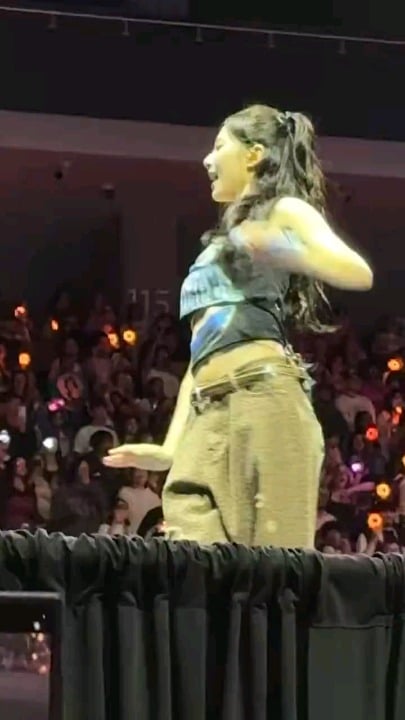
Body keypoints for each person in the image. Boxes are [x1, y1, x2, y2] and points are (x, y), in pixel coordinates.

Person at [104, 104, 373, 547]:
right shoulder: (217, 245)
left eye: (218, 146)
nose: (207, 160)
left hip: (263, 400)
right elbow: (203, 354)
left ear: (253, 154)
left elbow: (356, 271)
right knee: (193, 563)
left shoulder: (282, 210)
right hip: (207, 416)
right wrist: (171, 447)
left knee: (273, 573)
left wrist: (282, 249)